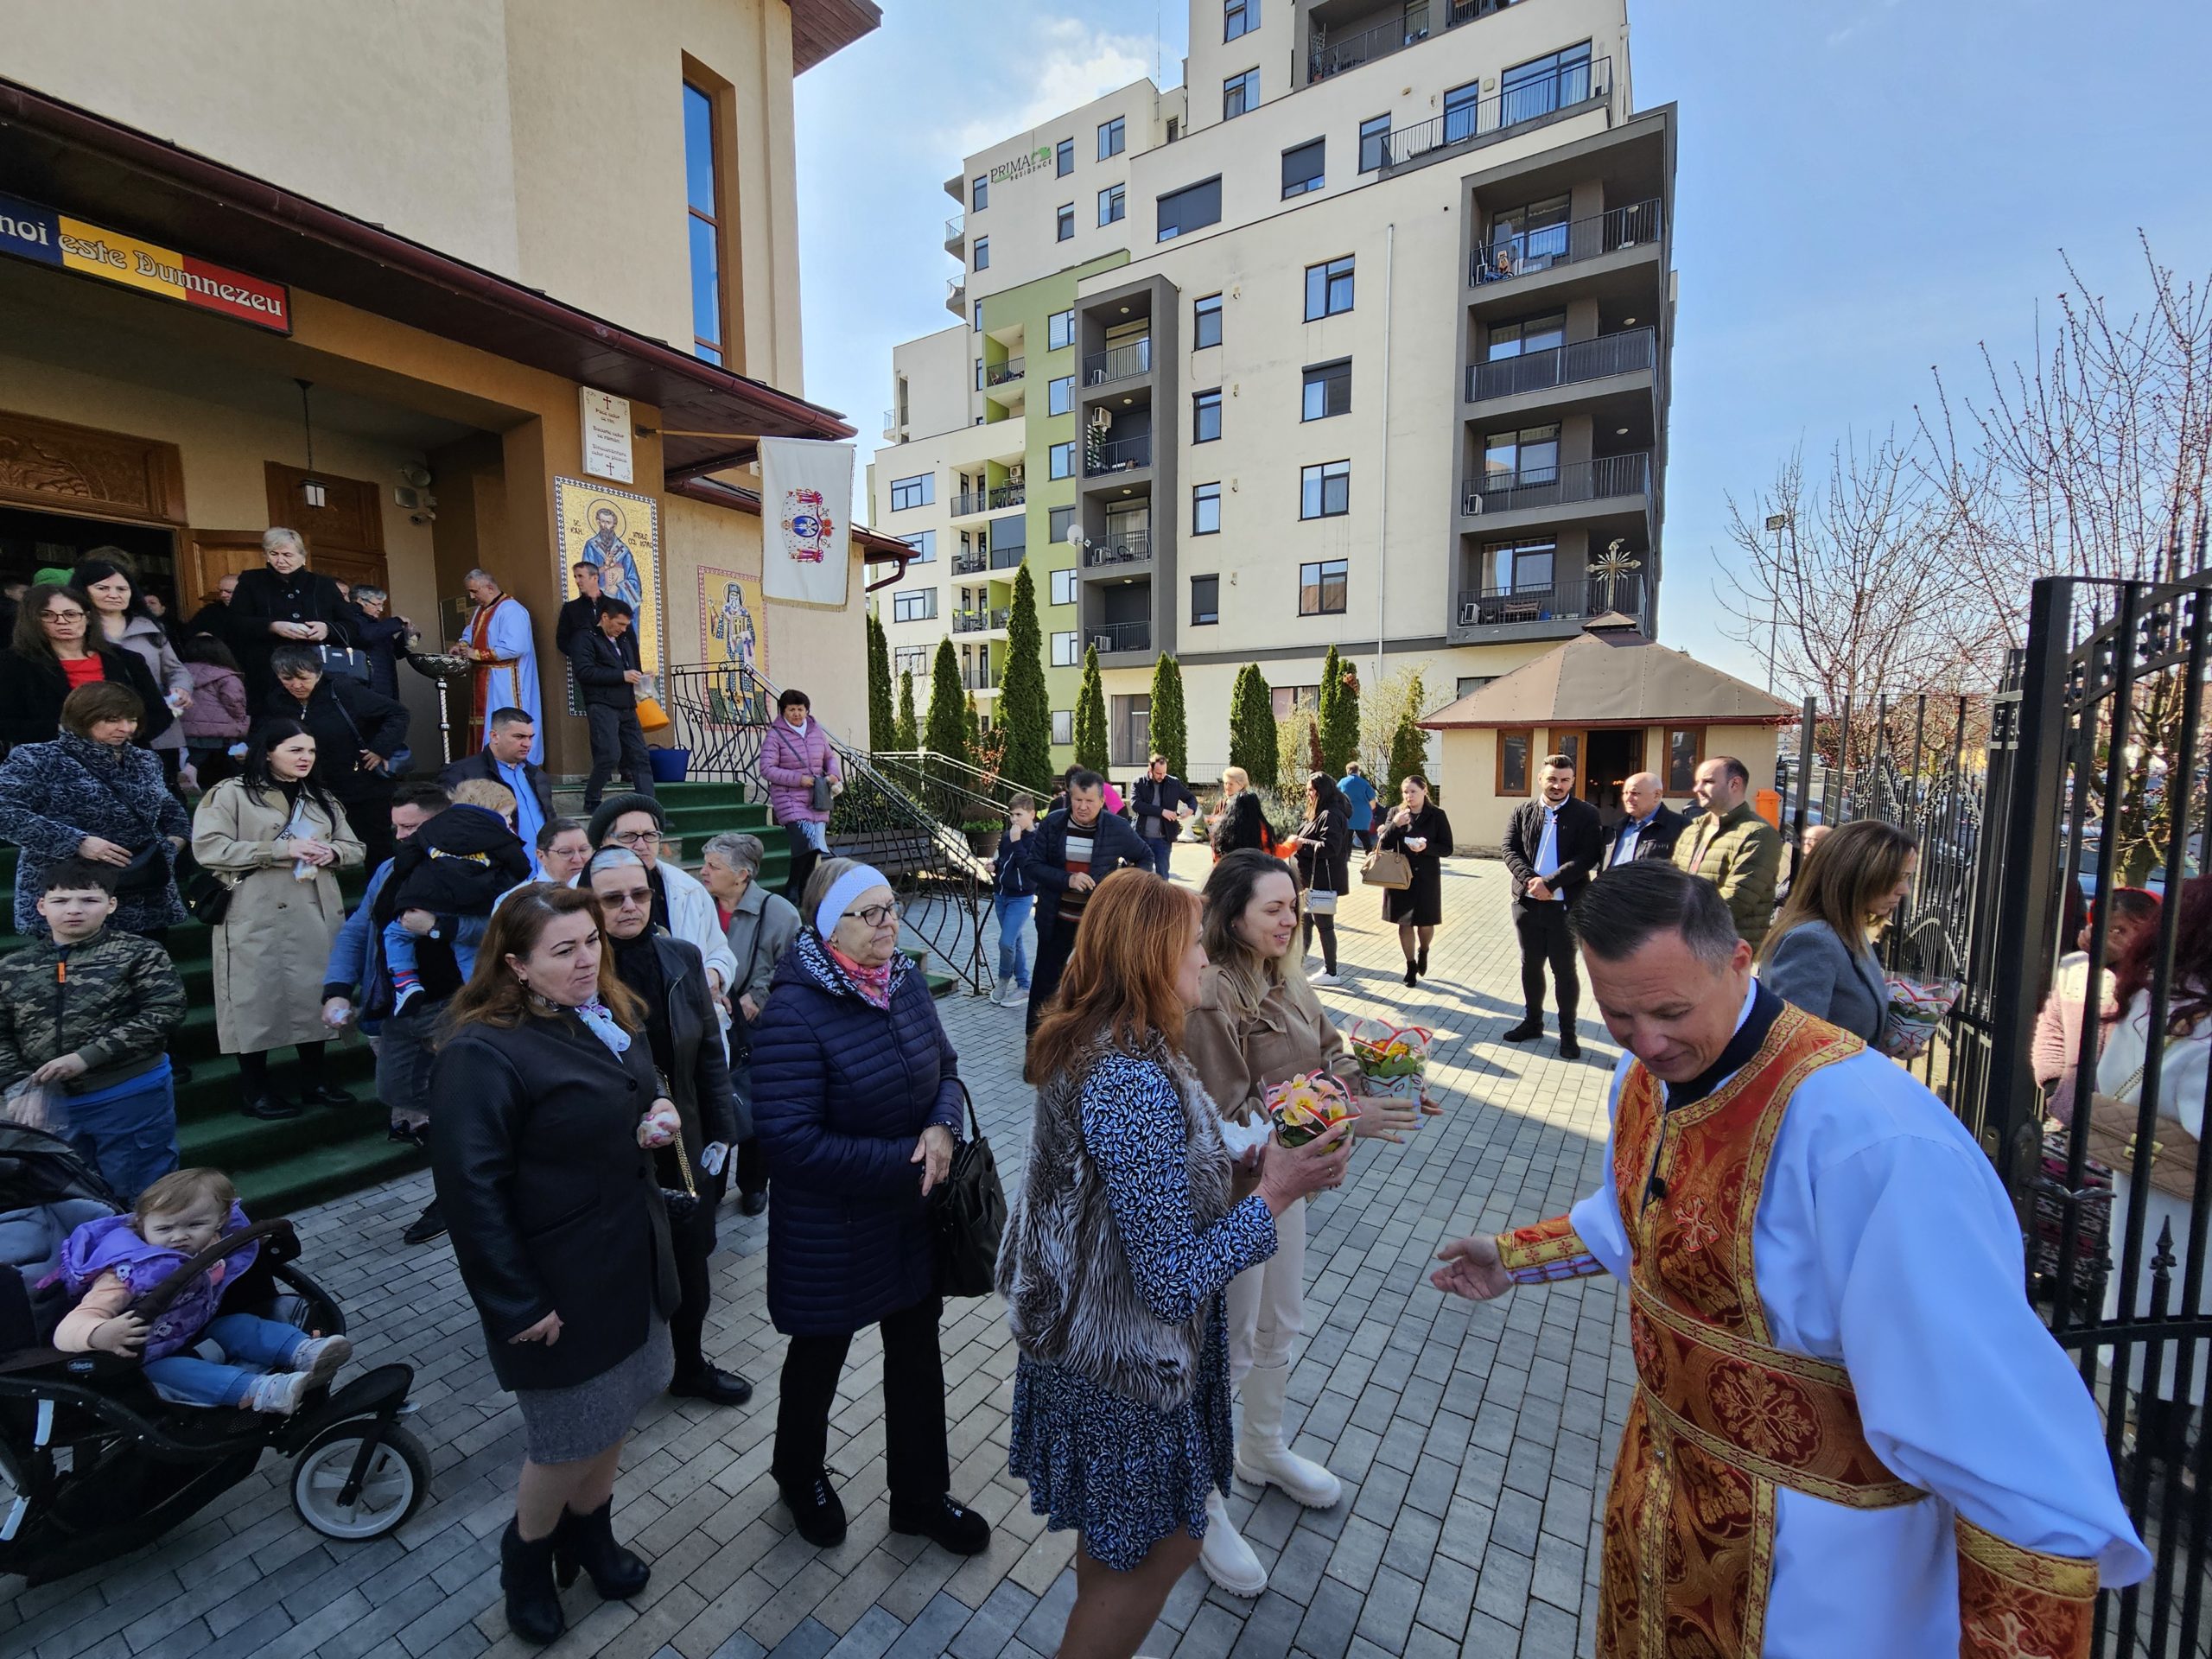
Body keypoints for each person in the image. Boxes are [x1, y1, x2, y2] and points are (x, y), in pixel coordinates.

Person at [1432, 861, 2149, 1656]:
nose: (1648, 1041)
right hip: (1664, 1493)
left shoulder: (1869, 1134)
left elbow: (1994, 1427)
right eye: (1618, 1015)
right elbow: (1640, 1214)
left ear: (1739, 961)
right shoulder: (1643, 1074)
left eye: (1669, 1010)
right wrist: (1514, 1258)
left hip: (1826, 1564)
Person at [1001, 870, 1351, 1657]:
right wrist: (1276, 1195)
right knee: (1162, 1549)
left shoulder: (1118, 1042)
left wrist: (1246, 1164)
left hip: (1090, 1350)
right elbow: (1173, 1279)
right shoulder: (1129, 1079)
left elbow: (1139, 1192)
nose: (1204, 959)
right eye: (1192, 944)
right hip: (1121, 1369)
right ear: (1152, 957)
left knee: (1122, 1551)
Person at [429, 884, 681, 1644]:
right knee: (565, 1436)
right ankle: (527, 1557)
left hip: (626, 1259)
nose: (586, 960)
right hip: (557, 1280)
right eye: (563, 950)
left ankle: (590, 1533)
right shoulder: (482, 1052)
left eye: (592, 942)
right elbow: (471, 1194)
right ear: (515, 964)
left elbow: (639, 1088)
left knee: (619, 1406)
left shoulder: (600, 1015)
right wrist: (515, 1303)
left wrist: (657, 1115)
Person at [1181, 851, 1426, 1596]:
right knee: (1228, 1341)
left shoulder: (1286, 978)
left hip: (1290, 1186)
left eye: (1293, 906)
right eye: (1274, 909)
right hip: (1236, 1197)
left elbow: (1331, 1054)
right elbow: (1225, 1114)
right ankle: (1203, 1499)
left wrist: (1383, 1080)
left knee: (1280, 1322)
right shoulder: (1211, 992)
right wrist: (1347, 1114)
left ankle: (1261, 1448)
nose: (1291, 919)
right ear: (1232, 917)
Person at [750, 859, 988, 1556]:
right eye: (873, 914)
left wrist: (942, 1130)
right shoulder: (794, 1010)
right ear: (830, 927)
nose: (892, 924)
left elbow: (946, 1065)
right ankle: (798, 1476)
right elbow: (788, 1143)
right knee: (818, 1357)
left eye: (893, 908)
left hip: (910, 1216)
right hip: (833, 1227)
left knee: (916, 1357)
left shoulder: (905, 981)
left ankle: (918, 1497)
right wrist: (910, 1162)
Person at [584, 847, 752, 1408]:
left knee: (690, 1263)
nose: (630, 906)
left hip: (685, 1141)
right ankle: (620, 1375)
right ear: (590, 902)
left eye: (640, 893)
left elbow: (708, 1051)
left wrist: (723, 1135)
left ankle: (689, 1365)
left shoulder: (679, 955)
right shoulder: (578, 967)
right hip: (609, 1149)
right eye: (613, 897)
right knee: (623, 1268)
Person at [54, 1167, 353, 1413]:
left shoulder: (214, 1243)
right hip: (147, 1358)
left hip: (195, 1331)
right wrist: (99, 1333)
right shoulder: (126, 1273)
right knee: (171, 1373)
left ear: (221, 1220)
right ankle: (257, 1390)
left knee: (238, 1325)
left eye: (195, 1224)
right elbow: (67, 1328)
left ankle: (303, 1350)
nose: (179, 1237)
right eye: (164, 1229)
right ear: (141, 1225)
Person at [191, 721, 365, 1121]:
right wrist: (279, 849)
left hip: (314, 907)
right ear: (268, 751)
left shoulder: (321, 797)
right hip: (254, 908)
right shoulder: (230, 793)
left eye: (311, 751)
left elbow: (355, 846)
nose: (306, 758)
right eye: (295, 750)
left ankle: (315, 1079)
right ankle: (254, 1090)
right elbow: (209, 848)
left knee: (314, 993)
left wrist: (333, 854)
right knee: (254, 997)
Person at [2094, 875, 2212, 1455]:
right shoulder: (2203, 1017)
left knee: (2155, 1332)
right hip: (2191, 1211)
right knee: (2187, 1339)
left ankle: (2148, 1450)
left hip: (2144, 1192)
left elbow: (2110, 1081)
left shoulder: (2150, 995)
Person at [0, 858, 186, 1202]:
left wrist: (87, 1058)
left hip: (127, 1092)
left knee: (142, 1192)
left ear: (110, 904)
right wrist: (20, 1086)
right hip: (49, 1105)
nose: (74, 910)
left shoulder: (139, 953)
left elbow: (164, 1011)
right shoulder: (13, 967)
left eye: (89, 900)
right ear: (41, 906)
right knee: (74, 1197)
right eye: (60, 901)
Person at [0, 681, 189, 941]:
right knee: (78, 979)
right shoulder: (38, 758)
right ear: (82, 717)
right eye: (112, 719)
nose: (125, 728)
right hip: (72, 895)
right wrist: (77, 842)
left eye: (132, 719)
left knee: (145, 975)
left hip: (145, 892)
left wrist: (174, 843)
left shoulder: (145, 760)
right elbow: (6, 813)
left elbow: (168, 807)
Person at [321, 782, 448, 1158]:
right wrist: (338, 988)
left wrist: (439, 927)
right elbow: (359, 930)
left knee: (461, 1087)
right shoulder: (389, 870)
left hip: (451, 1005)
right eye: (396, 827)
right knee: (394, 1090)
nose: (400, 836)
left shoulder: (470, 870)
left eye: (410, 827)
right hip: (395, 1004)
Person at [699, 831, 799, 1217]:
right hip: (711, 1025)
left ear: (742, 875)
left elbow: (790, 969)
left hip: (759, 1032)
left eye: (713, 866)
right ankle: (713, 1182)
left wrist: (755, 998)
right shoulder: (699, 904)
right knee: (715, 1105)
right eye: (706, 863)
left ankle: (755, 1186)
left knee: (756, 1108)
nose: (704, 872)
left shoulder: (779, 913)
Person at [375, 779, 532, 1013]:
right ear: (494, 809)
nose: (509, 822)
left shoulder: (432, 828)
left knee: (396, 932)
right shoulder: (500, 836)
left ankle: (406, 982)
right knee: (469, 955)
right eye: (508, 815)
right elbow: (521, 866)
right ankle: (484, 1001)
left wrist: (412, 874)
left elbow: (405, 858)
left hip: (428, 900)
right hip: (474, 904)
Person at [1759, 819, 1918, 1046]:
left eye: (1907, 877)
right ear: (1855, 874)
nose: (1905, 890)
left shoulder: (1848, 931)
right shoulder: (1812, 941)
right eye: (1896, 877)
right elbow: (1797, 1046)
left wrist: (1886, 1041)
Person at [265, 644, 410, 875]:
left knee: (376, 845)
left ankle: (383, 898)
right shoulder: (277, 700)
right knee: (314, 843)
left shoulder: (343, 689)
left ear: (318, 672)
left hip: (362, 781)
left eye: (303, 678)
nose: (296, 685)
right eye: (287, 679)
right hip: (313, 784)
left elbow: (397, 713)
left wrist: (380, 749)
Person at [1025, 770, 1150, 1037]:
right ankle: (1035, 1047)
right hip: (1055, 921)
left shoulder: (1117, 828)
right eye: (1077, 799)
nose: (1082, 807)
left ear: (1102, 801)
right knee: (1046, 987)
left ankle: (1083, 1046)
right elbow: (1032, 866)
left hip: (1095, 928)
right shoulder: (1053, 824)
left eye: (1089, 801)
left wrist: (1125, 889)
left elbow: (1145, 856)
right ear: (1069, 797)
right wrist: (1067, 879)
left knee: (1091, 988)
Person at [586, 796, 737, 1001]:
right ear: (604, 842)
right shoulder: (580, 892)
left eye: (650, 835)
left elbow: (718, 949)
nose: (642, 845)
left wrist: (715, 973)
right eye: (629, 836)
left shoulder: (689, 889)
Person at [1502, 754, 1603, 1055]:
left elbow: (1588, 856)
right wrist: (1532, 880)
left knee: (1564, 969)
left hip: (1566, 907)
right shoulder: (1522, 811)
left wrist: (1552, 883)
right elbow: (1509, 848)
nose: (1558, 785)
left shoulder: (1586, 813)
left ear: (1572, 781)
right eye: (1552, 779)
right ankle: (1533, 1022)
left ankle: (1568, 1034)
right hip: (1527, 904)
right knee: (1530, 965)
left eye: (1564, 780)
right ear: (1540, 779)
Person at [0, 582, 175, 753]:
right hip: (52, 767)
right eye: (48, 615)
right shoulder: (14, 663)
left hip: (122, 764)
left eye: (71, 614)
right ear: (34, 620)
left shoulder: (127, 660)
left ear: (88, 617)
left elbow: (160, 714)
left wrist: (124, 733)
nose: (62, 621)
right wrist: (67, 729)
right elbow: (6, 723)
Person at [2033, 886, 2158, 1114]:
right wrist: (2054, 1085)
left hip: (2127, 1116)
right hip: (2071, 1108)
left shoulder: (2161, 977)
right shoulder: (2075, 967)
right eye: (2113, 929)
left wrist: (2122, 965)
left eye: (2135, 929)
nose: (2119, 937)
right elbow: (2052, 1028)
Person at [75, 554, 194, 791]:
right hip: (98, 724)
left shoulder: (150, 628)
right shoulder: (75, 628)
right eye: (102, 588)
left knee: (160, 790)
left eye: (122, 588)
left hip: (156, 722)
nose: (114, 594)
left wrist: (181, 688)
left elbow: (175, 669)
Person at [226, 527, 355, 708]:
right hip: (267, 673)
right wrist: (272, 627)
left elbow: (353, 626)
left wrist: (326, 629)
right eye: (274, 554)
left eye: (287, 554)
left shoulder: (323, 584)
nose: (280, 560)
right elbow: (233, 622)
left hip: (319, 672)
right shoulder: (251, 581)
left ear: (303, 557)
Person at [1672, 753, 1783, 950]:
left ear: (1734, 784)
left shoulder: (1759, 834)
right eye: (1697, 782)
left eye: (1708, 782)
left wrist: (1675, 922)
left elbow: (1736, 900)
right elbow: (1672, 882)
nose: (1697, 789)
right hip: (1686, 945)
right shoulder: (1693, 829)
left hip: (1726, 953)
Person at [570, 597, 656, 811]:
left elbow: (629, 666)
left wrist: (641, 676)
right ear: (605, 617)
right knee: (609, 754)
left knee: (640, 757)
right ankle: (592, 801)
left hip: (627, 705)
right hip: (602, 704)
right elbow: (585, 672)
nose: (624, 629)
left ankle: (650, 808)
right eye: (620, 624)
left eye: (626, 625)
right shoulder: (585, 638)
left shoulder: (625, 639)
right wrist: (622, 676)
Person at [760, 687, 843, 903]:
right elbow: (767, 769)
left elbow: (829, 757)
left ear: (807, 710)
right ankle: (793, 886)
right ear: (782, 711)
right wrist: (799, 779)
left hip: (817, 797)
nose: (796, 714)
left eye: (800, 709)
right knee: (804, 840)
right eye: (791, 709)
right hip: (789, 797)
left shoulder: (816, 731)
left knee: (814, 846)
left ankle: (805, 888)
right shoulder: (775, 735)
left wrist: (834, 774)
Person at [457, 569, 543, 765]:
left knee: (505, 725)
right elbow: (470, 632)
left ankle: (508, 766)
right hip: (485, 676)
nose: (472, 597)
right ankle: (484, 766)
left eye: (474, 591)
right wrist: (462, 645)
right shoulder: (482, 610)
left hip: (505, 681)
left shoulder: (512, 610)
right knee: (486, 725)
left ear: (489, 587)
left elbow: (516, 647)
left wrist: (476, 654)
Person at [440, 707, 551, 857]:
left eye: (530, 737)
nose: (527, 744)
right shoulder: (462, 773)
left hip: (543, 870)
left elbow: (549, 819)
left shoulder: (538, 776)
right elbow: (452, 826)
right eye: (519, 737)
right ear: (494, 736)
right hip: (498, 869)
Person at [1377, 774, 1452, 988]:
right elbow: (1384, 844)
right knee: (1404, 922)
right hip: (1400, 876)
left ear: (1424, 791)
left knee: (1426, 922)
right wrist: (1395, 825)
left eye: (1413, 791)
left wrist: (1426, 847)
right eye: (1405, 792)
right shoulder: (1395, 813)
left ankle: (1424, 950)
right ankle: (1410, 965)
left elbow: (1447, 848)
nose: (1409, 796)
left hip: (1426, 876)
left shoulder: (1437, 815)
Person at [1278, 772, 1351, 984]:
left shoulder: (1330, 814)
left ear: (1322, 791)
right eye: (1308, 790)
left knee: (1324, 925)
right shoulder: (1318, 812)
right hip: (1309, 880)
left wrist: (1302, 843)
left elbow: (1330, 847)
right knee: (1305, 923)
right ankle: (1296, 967)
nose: (1308, 794)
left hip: (1321, 881)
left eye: (1312, 790)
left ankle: (1331, 972)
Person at [178, 633, 251, 790]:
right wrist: (242, 720)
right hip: (222, 731)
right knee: (231, 758)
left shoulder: (180, 674)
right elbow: (234, 703)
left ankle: (190, 769)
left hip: (186, 730)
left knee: (198, 754)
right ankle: (237, 786)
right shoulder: (227, 676)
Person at [989, 794, 1039, 1007]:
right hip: (1001, 894)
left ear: (1032, 814)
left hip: (1021, 897)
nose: (1014, 819)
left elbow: (1028, 867)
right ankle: (1024, 985)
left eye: (1019, 814)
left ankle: (1003, 978)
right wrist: (995, 865)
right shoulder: (1008, 834)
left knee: (1006, 942)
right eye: (1011, 815)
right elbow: (1003, 859)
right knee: (1015, 940)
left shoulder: (1037, 838)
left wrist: (1017, 841)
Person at [1128, 755, 1197, 878]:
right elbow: (1136, 805)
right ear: (1150, 769)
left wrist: (1190, 810)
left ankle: (1162, 898)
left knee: (1163, 876)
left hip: (1164, 839)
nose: (1162, 776)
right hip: (1142, 837)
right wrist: (1162, 812)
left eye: (1164, 772)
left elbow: (1191, 798)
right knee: (1141, 877)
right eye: (1158, 773)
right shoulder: (1138, 783)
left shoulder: (1173, 783)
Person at [1600, 771, 1686, 869]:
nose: (1628, 799)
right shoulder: (1615, 828)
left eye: (1634, 793)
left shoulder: (1681, 827)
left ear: (1656, 795)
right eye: (1625, 793)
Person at [346, 583, 414, 700]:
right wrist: (397, 622)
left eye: (382, 605)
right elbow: (366, 636)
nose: (381, 609)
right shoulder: (350, 619)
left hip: (386, 683)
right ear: (360, 601)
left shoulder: (377, 625)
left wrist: (410, 636)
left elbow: (398, 653)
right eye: (377, 605)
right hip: (365, 685)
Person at [1208, 766, 1274, 860]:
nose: (1227, 787)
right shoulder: (1221, 804)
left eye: (1231, 784)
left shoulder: (1248, 804)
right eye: (1225, 783)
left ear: (1241, 785)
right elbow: (1211, 827)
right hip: (1220, 855)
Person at [556, 561, 603, 660]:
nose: (577, 581)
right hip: (585, 669)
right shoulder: (570, 608)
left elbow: (628, 642)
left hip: (613, 669)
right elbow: (562, 640)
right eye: (575, 577)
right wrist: (580, 655)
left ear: (594, 578)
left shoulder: (613, 605)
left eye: (581, 576)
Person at [185, 571, 239, 651]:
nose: (223, 595)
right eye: (221, 591)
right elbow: (189, 634)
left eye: (229, 591)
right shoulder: (209, 611)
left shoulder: (258, 610)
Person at [1338, 760, 1379, 853]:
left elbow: (1336, 797)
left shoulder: (1342, 782)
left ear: (1347, 771)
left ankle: (1346, 858)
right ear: (1358, 771)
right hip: (1363, 815)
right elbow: (1372, 801)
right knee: (1364, 837)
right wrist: (1370, 810)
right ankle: (1369, 854)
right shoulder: (1364, 783)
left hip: (1348, 814)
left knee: (1347, 838)